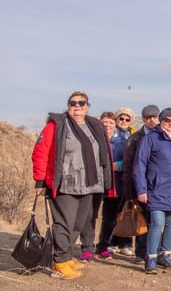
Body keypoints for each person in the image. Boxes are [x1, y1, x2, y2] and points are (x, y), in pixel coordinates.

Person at [32, 91, 113, 279]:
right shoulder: (57, 125)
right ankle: (60, 262)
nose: (77, 106)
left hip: (89, 184)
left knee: (78, 223)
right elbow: (40, 152)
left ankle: (67, 257)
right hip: (64, 183)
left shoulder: (94, 125)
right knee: (64, 222)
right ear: (68, 105)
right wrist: (40, 180)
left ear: (87, 106)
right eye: (73, 103)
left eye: (81, 103)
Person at [132, 107, 171, 274]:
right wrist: (141, 189)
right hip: (156, 190)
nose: (170, 124)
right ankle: (151, 258)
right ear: (161, 121)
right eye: (167, 121)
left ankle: (164, 255)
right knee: (157, 224)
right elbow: (140, 165)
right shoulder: (150, 139)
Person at [79, 111, 122, 262]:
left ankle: (103, 246)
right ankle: (87, 247)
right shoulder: (93, 139)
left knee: (110, 218)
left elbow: (129, 159)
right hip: (94, 182)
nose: (107, 125)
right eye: (105, 122)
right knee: (90, 216)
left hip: (114, 184)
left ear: (115, 124)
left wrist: (119, 165)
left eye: (111, 122)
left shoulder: (122, 141)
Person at [122, 104, 160, 263]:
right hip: (141, 185)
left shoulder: (163, 136)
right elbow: (128, 165)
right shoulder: (135, 138)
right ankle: (141, 252)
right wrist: (130, 191)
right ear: (143, 119)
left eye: (154, 117)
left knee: (156, 221)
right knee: (141, 219)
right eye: (147, 117)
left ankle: (154, 253)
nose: (151, 120)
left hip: (158, 187)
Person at [99, 107, 136, 257]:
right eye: (121, 119)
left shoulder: (132, 135)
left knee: (127, 213)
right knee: (110, 214)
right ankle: (108, 242)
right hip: (112, 180)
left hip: (126, 180)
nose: (124, 122)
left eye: (127, 119)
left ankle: (125, 243)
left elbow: (132, 158)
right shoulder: (110, 136)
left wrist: (120, 165)